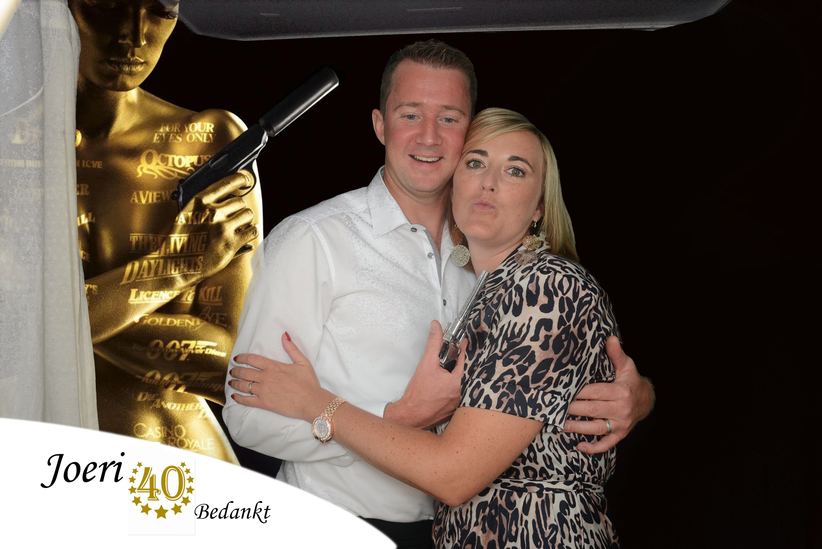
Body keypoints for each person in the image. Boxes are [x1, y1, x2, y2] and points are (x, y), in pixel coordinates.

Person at [223, 40, 653, 548]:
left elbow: (553, 376)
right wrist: (396, 417)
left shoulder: (490, 255)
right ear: (380, 125)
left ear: (469, 131)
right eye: (410, 114)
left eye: (449, 118)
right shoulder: (314, 241)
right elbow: (247, 415)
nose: (429, 136)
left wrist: (636, 397)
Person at [70, 0, 262, 462]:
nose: (134, 35)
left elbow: (230, 372)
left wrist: (61, 312)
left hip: (197, 476)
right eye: (107, 4)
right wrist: (175, 266)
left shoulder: (209, 140)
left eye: (162, 9)